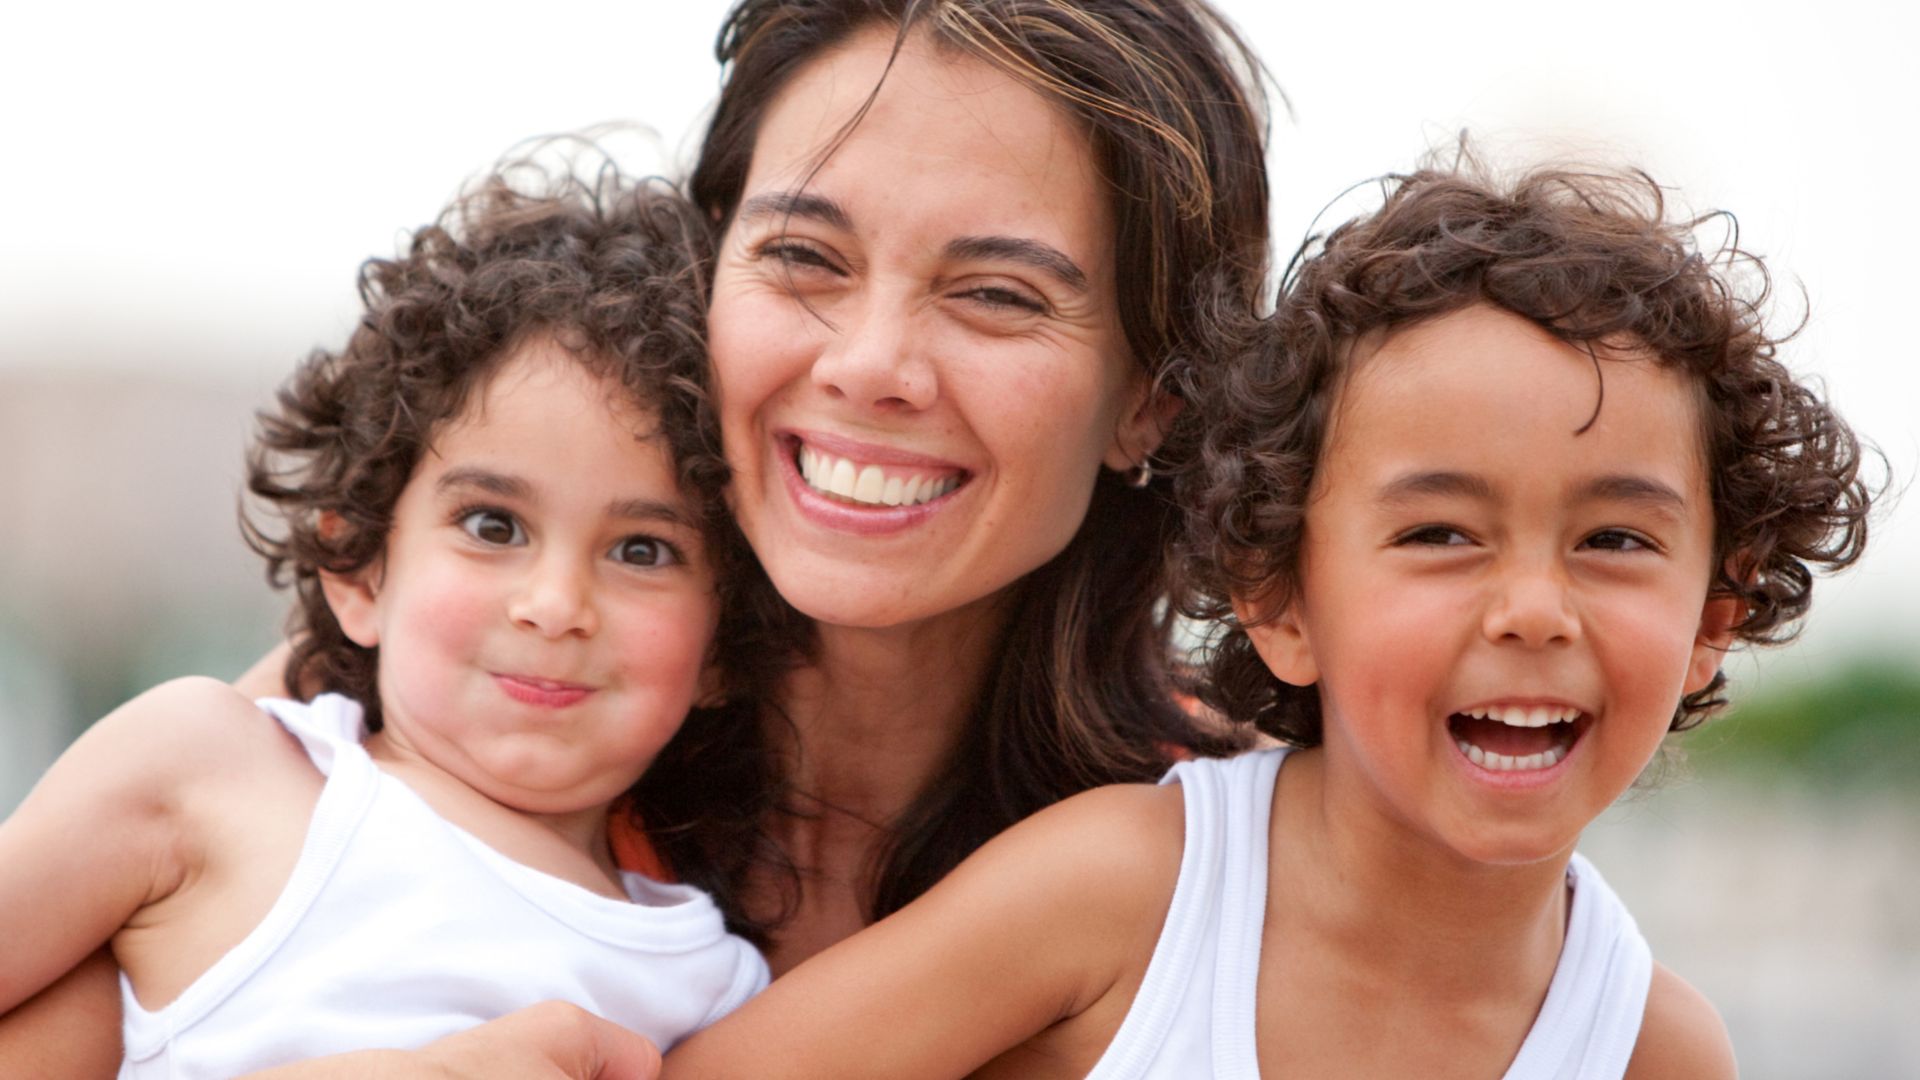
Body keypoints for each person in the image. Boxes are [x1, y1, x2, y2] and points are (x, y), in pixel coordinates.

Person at [0, 0, 1276, 1074]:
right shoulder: (401, 734)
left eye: (997, 294)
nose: (871, 364)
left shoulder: (1222, 871)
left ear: (1152, 395)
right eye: (803, 256)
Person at [650, 161, 1874, 1078]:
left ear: (1716, 614)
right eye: (1439, 534)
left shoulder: (1653, 1048)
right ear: (1280, 602)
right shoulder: (1123, 892)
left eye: (1615, 541)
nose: (1533, 611)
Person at [0, 162, 769, 1075]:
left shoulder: (716, 983)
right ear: (359, 566)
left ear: (725, 644)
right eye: (493, 526)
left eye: (643, 550)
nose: (557, 606)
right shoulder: (214, 775)